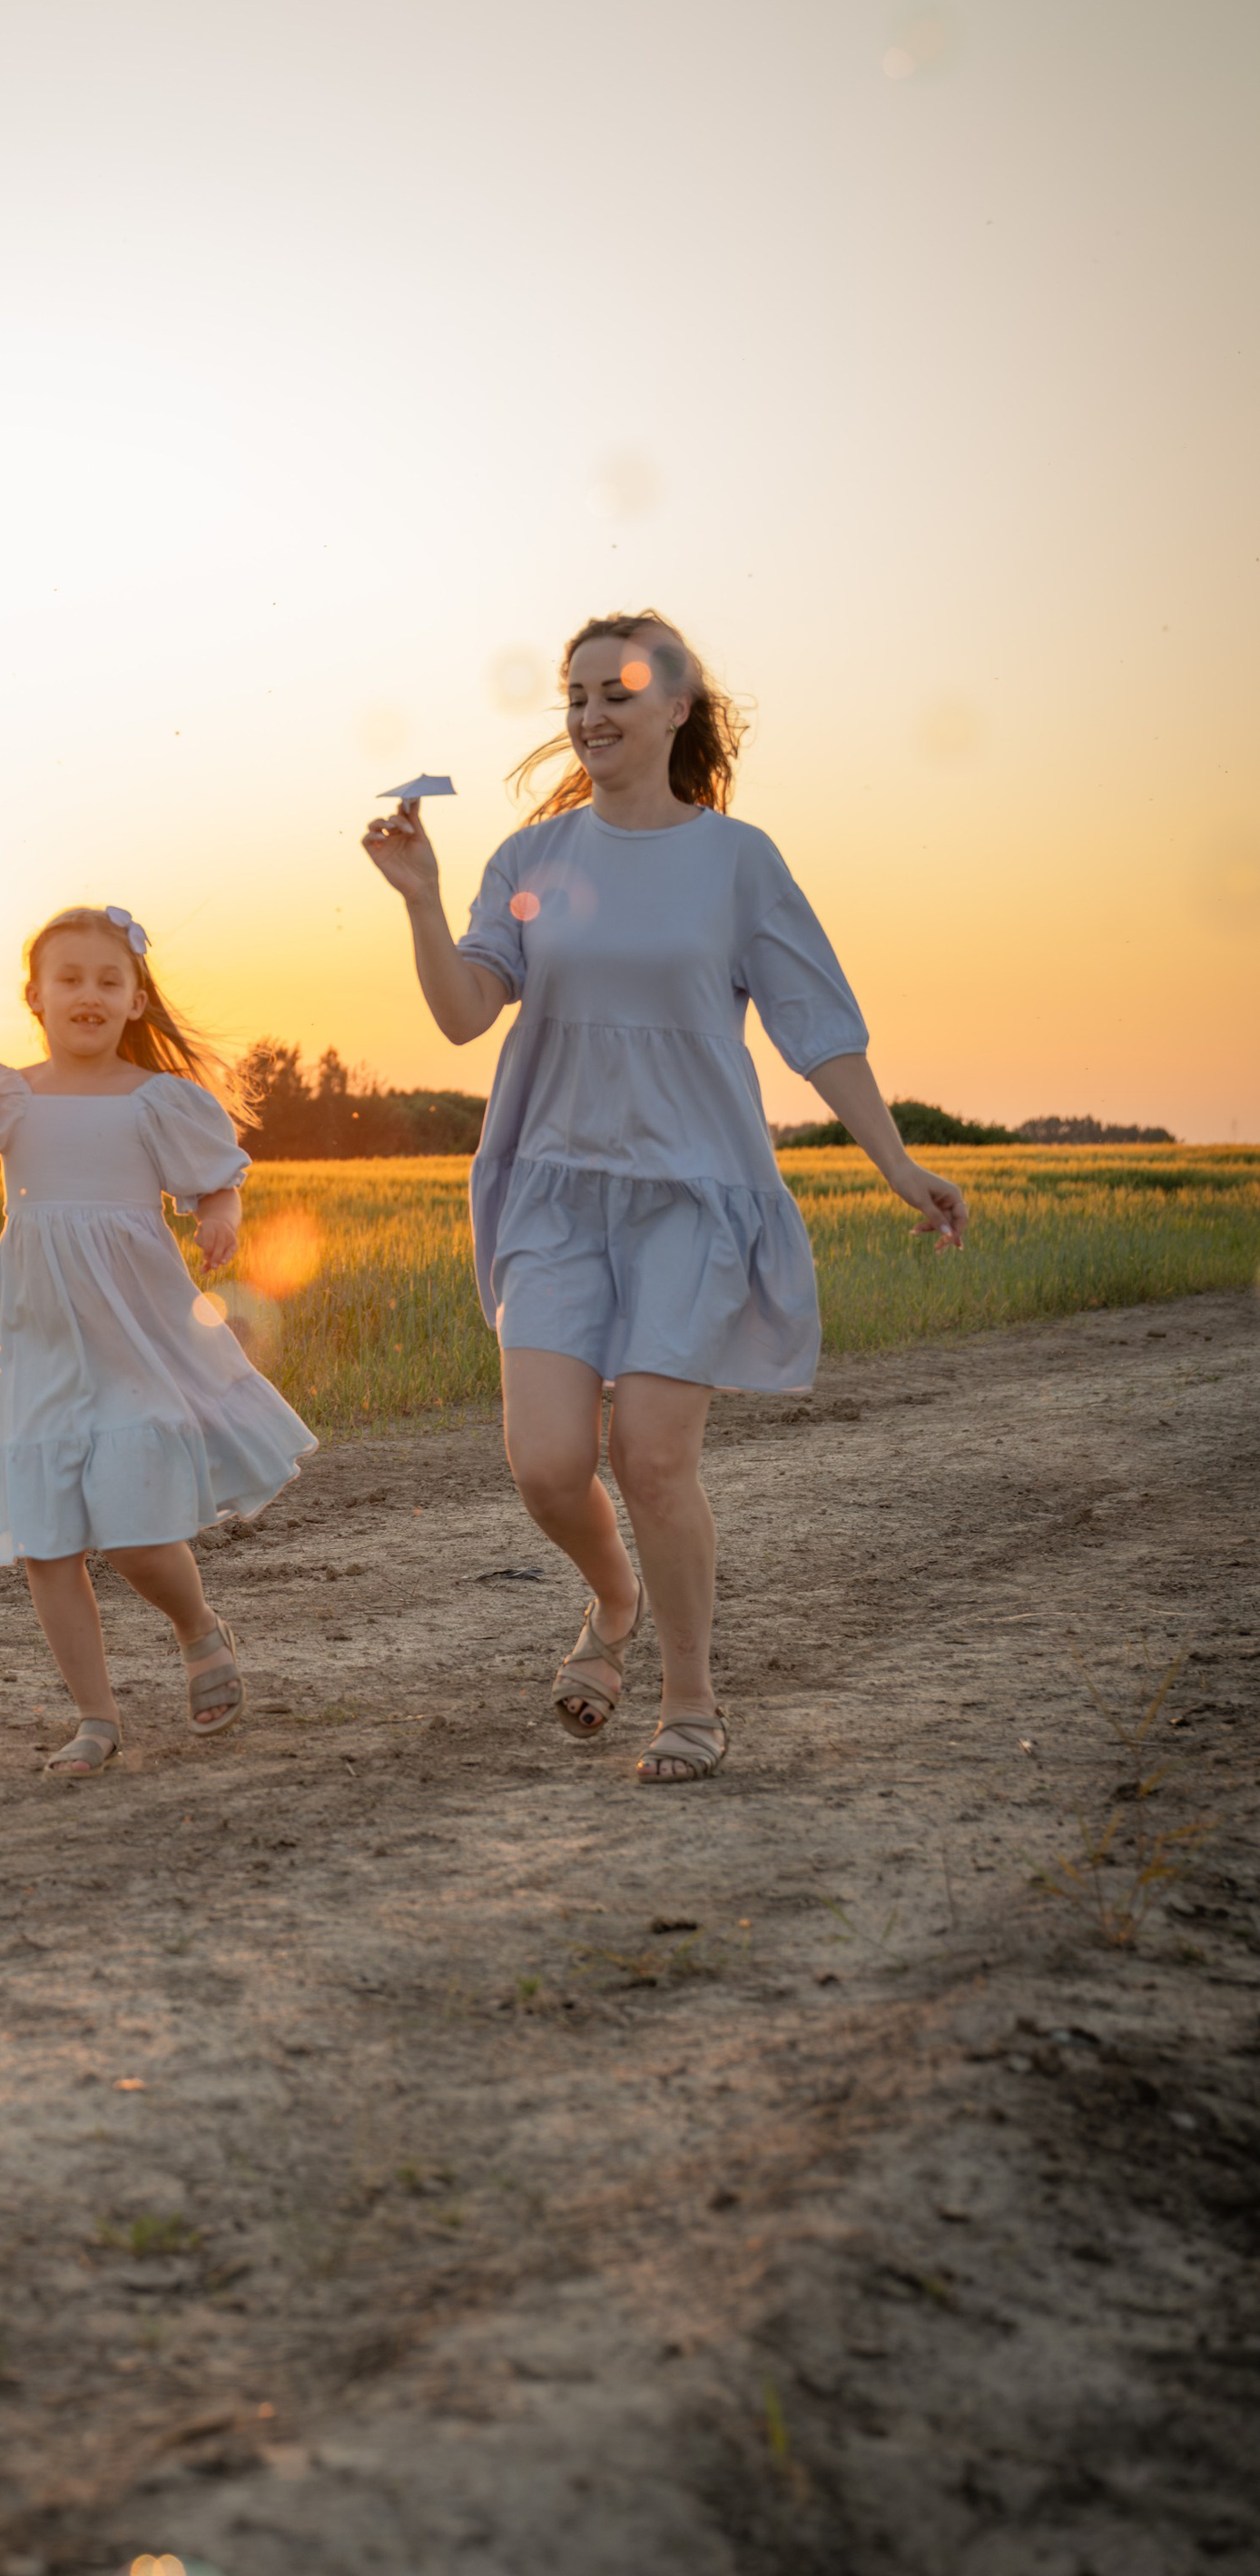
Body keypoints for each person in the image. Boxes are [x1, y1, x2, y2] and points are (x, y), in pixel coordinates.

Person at [361, 610, 966, 1785]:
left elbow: (818, 1030)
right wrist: (422, 900)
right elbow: (460, 1013)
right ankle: (613, 1598)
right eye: (575, 694)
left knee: (649, 1455)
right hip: (553, 1191)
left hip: (689, 1195)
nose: (590, 714)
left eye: (618, 691)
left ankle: (689, 1698)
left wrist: (895, 1161)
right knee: (543, 1462)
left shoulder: (737, 861)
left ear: (680, 705)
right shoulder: (530, 865)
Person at [0, 904, 316, 1775]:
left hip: (134, 1339)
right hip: (34, 1341)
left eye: (109, 980)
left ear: (136, 1000)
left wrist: (221, 1214)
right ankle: (96, 1719)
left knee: (134, 1531)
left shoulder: (157, 1102)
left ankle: (197, 1628)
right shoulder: (8, 1096)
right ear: (34, 996)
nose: (89, 993)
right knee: (46, 1543)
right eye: (70, 978)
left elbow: (215, 1177)